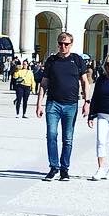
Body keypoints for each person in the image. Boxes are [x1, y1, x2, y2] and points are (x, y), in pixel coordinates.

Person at [35, 32, 92, 181]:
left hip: (71, 104)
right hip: (53, 104)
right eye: (60, 43)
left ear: (71, 45)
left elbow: (85, 82)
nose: (63, 46)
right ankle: (54, 167)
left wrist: (87, 102)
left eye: (66, 44)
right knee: (51, 135)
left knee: (68, 138)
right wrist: (39, 104)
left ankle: (64, 169)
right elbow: (44, 83)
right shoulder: (51, 60)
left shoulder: (77, 60)